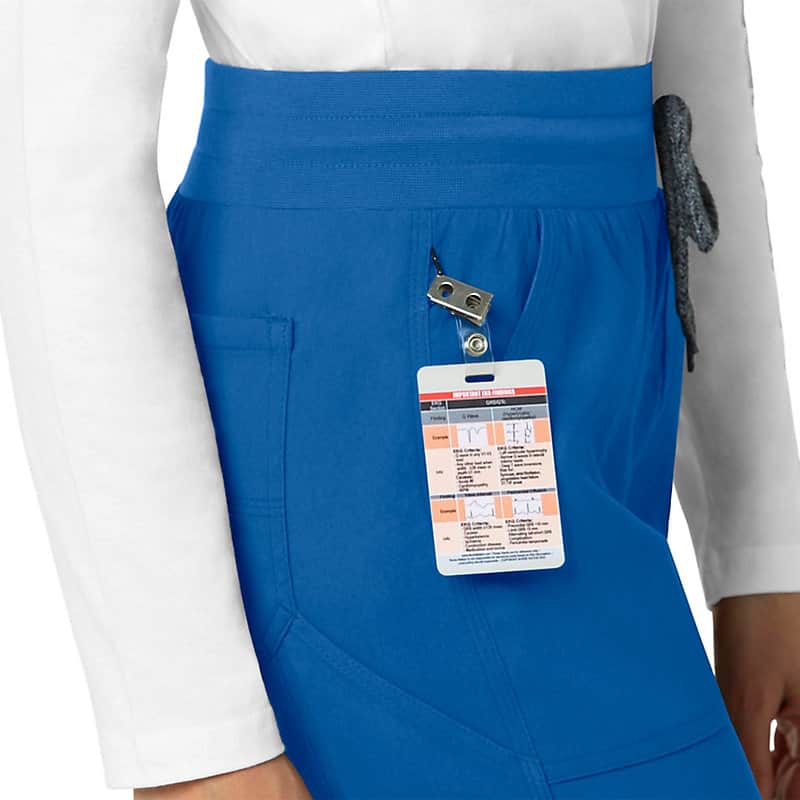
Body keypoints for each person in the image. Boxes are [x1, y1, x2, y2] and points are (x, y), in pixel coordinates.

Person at [1, 1, 799, 798]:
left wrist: (761, 549)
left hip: (611, 360)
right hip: (355, 392)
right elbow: (60, 163)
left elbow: (692, 88)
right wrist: (194, 732)